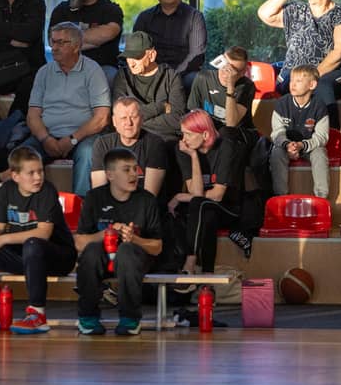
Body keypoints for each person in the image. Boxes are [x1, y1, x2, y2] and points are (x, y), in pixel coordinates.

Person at [0, 147, 77, 334]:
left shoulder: (47, 190)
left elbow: (43, 233)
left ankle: (37, 315)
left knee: (33, 243)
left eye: (40, 171)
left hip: (57, 256)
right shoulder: (6, 190)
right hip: (24, 255)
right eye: (31, 173)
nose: (38, 177)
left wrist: (2, 240)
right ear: (15, 176)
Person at [74, 148, 163, 336]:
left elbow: (157, 247)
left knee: (126, 250)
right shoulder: (94, 198)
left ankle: (130, 318)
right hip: (102, 258)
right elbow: (79, 243)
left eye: (135, 169)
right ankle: (88, 317)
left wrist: (134, 239)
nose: (134, 174)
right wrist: (107, 233)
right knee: (92, 251)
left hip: (134, 260)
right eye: (126, 170)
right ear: (110, 175)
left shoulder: (147, 200)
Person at [257, 0, 341, 126]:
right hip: (293, 71)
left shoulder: (340, 14)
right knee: (289, 85)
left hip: (328, 71)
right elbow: (265, 14)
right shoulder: (296, 10)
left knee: (321, 87)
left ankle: (330, 133)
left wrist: (312, 75)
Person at [24, 21, 110, 197]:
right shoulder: (44, 72)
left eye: (61, 42)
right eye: (53, 41)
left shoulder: (93, 70)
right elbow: (32, 116)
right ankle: (30, 206)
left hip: (82, 137)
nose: (54, 47)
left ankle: (81, 206)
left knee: (88, 153)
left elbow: (102, 117)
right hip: (47, 136)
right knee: (23, 155)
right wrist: (45, 139)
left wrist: (72, 139)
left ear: (77, 46)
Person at [169, 109, 244, 280]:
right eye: (183, 134)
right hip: (205, 209)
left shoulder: (226, 147)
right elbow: (196, 193)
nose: (184, 139)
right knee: (206, 213)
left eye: (188, 134)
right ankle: (207, 276)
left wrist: (180, 196)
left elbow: (218, 195)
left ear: (204, 134)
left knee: (201, 206)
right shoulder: (184, 150)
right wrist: (193, 156)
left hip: (229, 208)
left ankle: (190, 261)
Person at [48, 0, 123, 82]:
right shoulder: (61, 10)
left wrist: (68, 41)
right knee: (46, 76)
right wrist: (94, 41)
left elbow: (109, 33)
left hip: (102, 67)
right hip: (67, 66)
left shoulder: (111, 10)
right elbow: (53, 42)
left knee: (108, 78)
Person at [132, 0, 206, 88]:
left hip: (183, 74)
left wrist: (173, 76)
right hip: (151, 74)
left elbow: (196, 55)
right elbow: (135, 51)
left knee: (197, 79)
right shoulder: (144, 18)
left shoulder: (194, 17)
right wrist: (152, 74)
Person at [110, 31, 185, 143]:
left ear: (152, 55)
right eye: (128, 58)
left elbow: (177, 119)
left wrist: (134, 122)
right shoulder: (123, 76)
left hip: (164, 141)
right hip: (132, 141)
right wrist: (160, 107)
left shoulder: (171, 77)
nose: (131, 63)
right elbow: (119, 116)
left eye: (136, 57)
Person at [270, 65, 330, 199]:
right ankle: (281, 196)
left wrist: (302, 145)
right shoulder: (281, 104)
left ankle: (321, 198)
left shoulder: (319, 106)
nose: (293, 84)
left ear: (312, 85)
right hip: (286, 146)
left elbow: (322, 136)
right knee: (276, 152)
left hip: (309, 147)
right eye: (291, 80)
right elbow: (277, 133)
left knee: (320, 153)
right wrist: (287, 145)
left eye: (298, 81)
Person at [89, 96, 168, 195]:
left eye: (133, 117)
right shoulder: (103, 144)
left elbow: (149, 196)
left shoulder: (154, 144)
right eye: (123, 118)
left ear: (141, 119)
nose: (129, 123)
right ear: (114, 121)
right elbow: (99, 191)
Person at [186, 45, 259, 152]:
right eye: (224, 67)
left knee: (225, 134)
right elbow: (193, 114)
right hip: (209, 131)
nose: (226, 74)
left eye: (233, 71)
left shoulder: (246, 87)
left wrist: (230, 85)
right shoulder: (203, 78)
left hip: (237, 135)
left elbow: (231, 124)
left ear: (243, 73)